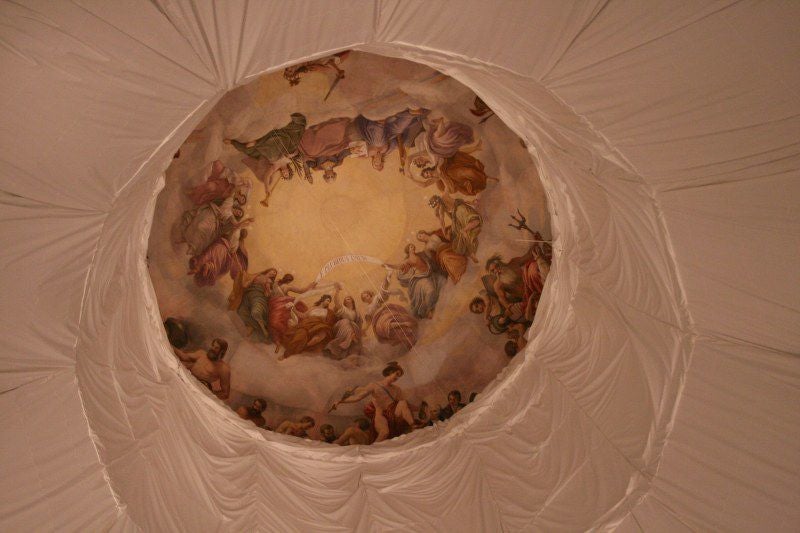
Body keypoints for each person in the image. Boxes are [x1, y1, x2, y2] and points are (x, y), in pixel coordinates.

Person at [224, 113, 307, 205]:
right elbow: (296, 152)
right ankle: (257, 142)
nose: (284, 173)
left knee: (250, 149)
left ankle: (234, 142)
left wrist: (267, 188)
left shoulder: (275, 167)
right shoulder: (289, 161)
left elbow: (266, 177)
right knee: (284, 143)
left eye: (284, 175)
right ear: (289, 170)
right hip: (279, 146)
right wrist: (291, 155)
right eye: (287, 174)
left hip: (269, 151)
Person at [330, 362, 415, 442]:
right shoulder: (374, 385)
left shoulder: (397, 389)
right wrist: (340, 401)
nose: (397, 378)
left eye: (399, 376)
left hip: (393, 414)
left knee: (403, 403)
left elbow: (403, 405)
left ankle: (413, 426)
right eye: (396, 374)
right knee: (384, 433)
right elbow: (358, 397)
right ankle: (374, 449)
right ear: (390, 372)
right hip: (381, 415)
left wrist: (416, 408)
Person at [361, 269, 418, 349]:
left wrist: (387, 276)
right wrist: (365, 329)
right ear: (364, 301)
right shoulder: (368, 309)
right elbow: (369, 320)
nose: (366, 298)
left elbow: (383, 288)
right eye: (364, 298)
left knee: (388, 323)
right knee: (384, 330)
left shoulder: (376, 298)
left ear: (370, 294)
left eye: (366, 296)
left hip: (384, 313)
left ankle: (404, 327)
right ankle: (405, 337)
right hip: (377, 320)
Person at [388, 244, 446, 320]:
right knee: (430, 291)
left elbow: (428, 257)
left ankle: (441, 303)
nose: (413, 247)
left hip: (429, 273)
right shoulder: (408, 260)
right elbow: (398, 266)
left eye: (413, 246)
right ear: (408, 250)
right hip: (421, 278)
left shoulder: (420, 254)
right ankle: (429, 310)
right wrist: (389, 265)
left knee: (443, 281)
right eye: (411, 247)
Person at [267, 274, 316, 352]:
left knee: (279, 320)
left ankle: (278, 341)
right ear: (289, 281)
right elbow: (301, 291)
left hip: (274, 304)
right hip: (280, 304)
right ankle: (286, 339)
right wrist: (311, 286)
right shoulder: (288, 286)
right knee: (286, 319)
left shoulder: (276, 283)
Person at [280, 292, 337, 358]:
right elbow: (303, 315)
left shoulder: (328, 311)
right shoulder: (313, 308)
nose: (328, 302)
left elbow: (330, 321)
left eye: (329, 301)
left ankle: (304, 346)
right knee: (301, 335)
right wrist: (294, 309)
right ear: (323, 300)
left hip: (319, 326)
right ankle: (287, 354)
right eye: (327, 300)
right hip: (307, 325)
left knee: (323, 333)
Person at [429, 193, 482, 263]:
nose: (437, 208)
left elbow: (459, 201)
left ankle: (471, 252)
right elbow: (442, 222)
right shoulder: (441, 208)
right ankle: (471, 253)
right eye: (436, 207)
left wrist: (471, 203)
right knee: (457, 239)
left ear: (438, 201)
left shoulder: (445, 198)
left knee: (470, 223)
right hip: (456, 220)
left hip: (461, 211)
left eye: (436, 205)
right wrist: (445, 233)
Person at [298, 117, 353, 182]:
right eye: (332, 176)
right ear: (334, 173)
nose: (330, 175)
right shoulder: (338, 163)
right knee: (338, 138)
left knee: (311, 151)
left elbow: (306, 164)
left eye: (328, 177)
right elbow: (344, 153)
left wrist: (308, 173)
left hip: (318, 149)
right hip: (331, 147)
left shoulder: (317, 168)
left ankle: (309, 130)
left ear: (324, 176)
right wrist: (352, 150)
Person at [231, 268, 277, 341]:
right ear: (269, 270)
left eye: (275, 273)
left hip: (258, 296)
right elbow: (245, 285)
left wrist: (269, 292)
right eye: (273, 271)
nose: (274, 273)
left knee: (256, 312)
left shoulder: (269, 281)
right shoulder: (258, 275)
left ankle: (263, 328)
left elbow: (268, 294)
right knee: (241, 311)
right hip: (249, 294)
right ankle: (251, 326)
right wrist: (246, 281)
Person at [323, 285, 363, 359]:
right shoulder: (342, 308)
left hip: (353, 328)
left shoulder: (356, 313)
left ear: (352, 301)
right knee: (346, 321)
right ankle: (348, 340)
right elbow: (336, 301)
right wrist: (337, 291)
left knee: (352, 325)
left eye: (348, 298)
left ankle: (351, 338)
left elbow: (359, 324)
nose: (347, 299)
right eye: (345, 299)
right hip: (341, 326)